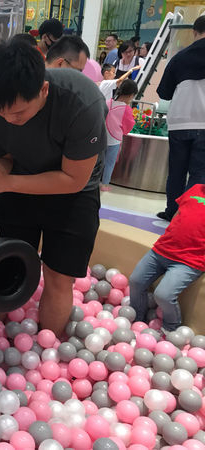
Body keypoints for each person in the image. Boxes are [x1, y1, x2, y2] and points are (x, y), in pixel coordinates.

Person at [0, 41, 107, 336]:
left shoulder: (82, 102)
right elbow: (4, 157)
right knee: (2, 263)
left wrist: (8, 183)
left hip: (74, 193)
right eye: (2, 112)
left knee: (58, 275)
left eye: (19, 113)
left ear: (43, 90)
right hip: (20, 181)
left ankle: (49, 345)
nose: (10, 120)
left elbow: (74, 179)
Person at [129, 183, 205, 332]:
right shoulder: (196, 188)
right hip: (162, 250)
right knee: (135, 281)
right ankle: (138, 320)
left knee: (163, 295)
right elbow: (178, 213)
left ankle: (170, 328)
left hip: (188, 261)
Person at [156, 16, 205, 222]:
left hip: (179, 121)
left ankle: (171, 211)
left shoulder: (180, 57)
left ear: (194, 32)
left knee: (176, 170)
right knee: (199, 172)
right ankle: (188, 216)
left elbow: (164, 93)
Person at [100, 79, 138, 191]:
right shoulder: (126, 109)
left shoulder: (107, 102)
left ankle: (93, 181)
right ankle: (104, 184)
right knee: (109, 163)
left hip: (101, 138)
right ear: (131, 95)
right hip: (114, 140)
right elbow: (129, 125)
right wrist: (123, 132)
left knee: (98, 161)